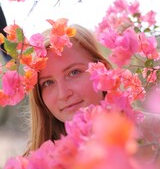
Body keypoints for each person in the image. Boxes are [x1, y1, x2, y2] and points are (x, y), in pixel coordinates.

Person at [26, 24, 111, 154]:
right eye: (48, 82)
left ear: (102, 70)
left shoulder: (151, 137)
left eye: (74, 72)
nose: (63, 94)